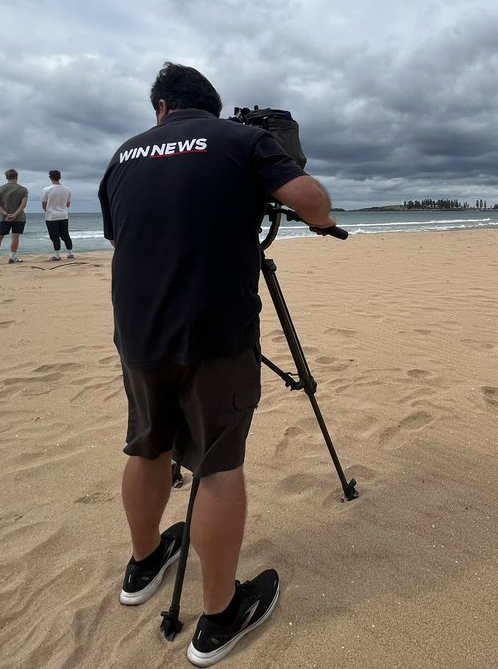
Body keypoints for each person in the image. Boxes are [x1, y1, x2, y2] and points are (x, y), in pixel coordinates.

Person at [97, 62, 335, 667]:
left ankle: (144, 563)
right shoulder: (238, 139)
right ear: (211, 106)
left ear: (160, 109)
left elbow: (126, 236)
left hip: (140, 332)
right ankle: (220, 615)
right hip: (214, 334)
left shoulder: (123, 155)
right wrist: (323, 222)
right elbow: (309, 200)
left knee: (146, 445)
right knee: (217, 463)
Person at [0, 169, 28, 264]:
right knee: (15, 237)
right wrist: (14, 215)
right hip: (19, 217)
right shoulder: (23, 189)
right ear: (17, 177)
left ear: (6, 177)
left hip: (4, 217)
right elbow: (23, 205)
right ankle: (12, 258)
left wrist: (6, 213)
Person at [41, 170, 75, 261]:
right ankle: (70, 253)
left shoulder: (46, 189)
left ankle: (57, 255)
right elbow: (68, 204)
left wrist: (49, 210)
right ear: (60, 177)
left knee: (54, 236)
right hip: (63, 215)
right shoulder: (67, 189)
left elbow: (44, 204)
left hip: (51, 216)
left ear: (50, 177)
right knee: (65, 235)